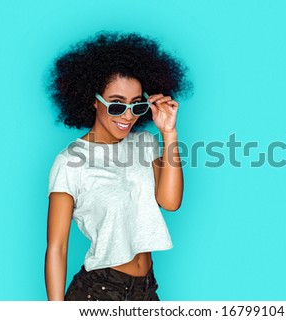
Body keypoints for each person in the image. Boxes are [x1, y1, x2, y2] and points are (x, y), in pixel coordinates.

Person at [44, 31, 191, 301]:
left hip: (147, 290)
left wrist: (169, 134)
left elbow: (170, 202)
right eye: (116, 105)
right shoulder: (70, 162)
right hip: (100, 292)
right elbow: (58, 247)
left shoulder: (145, 143)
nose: (127, 116)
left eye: (136, 106)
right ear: (93, 100)